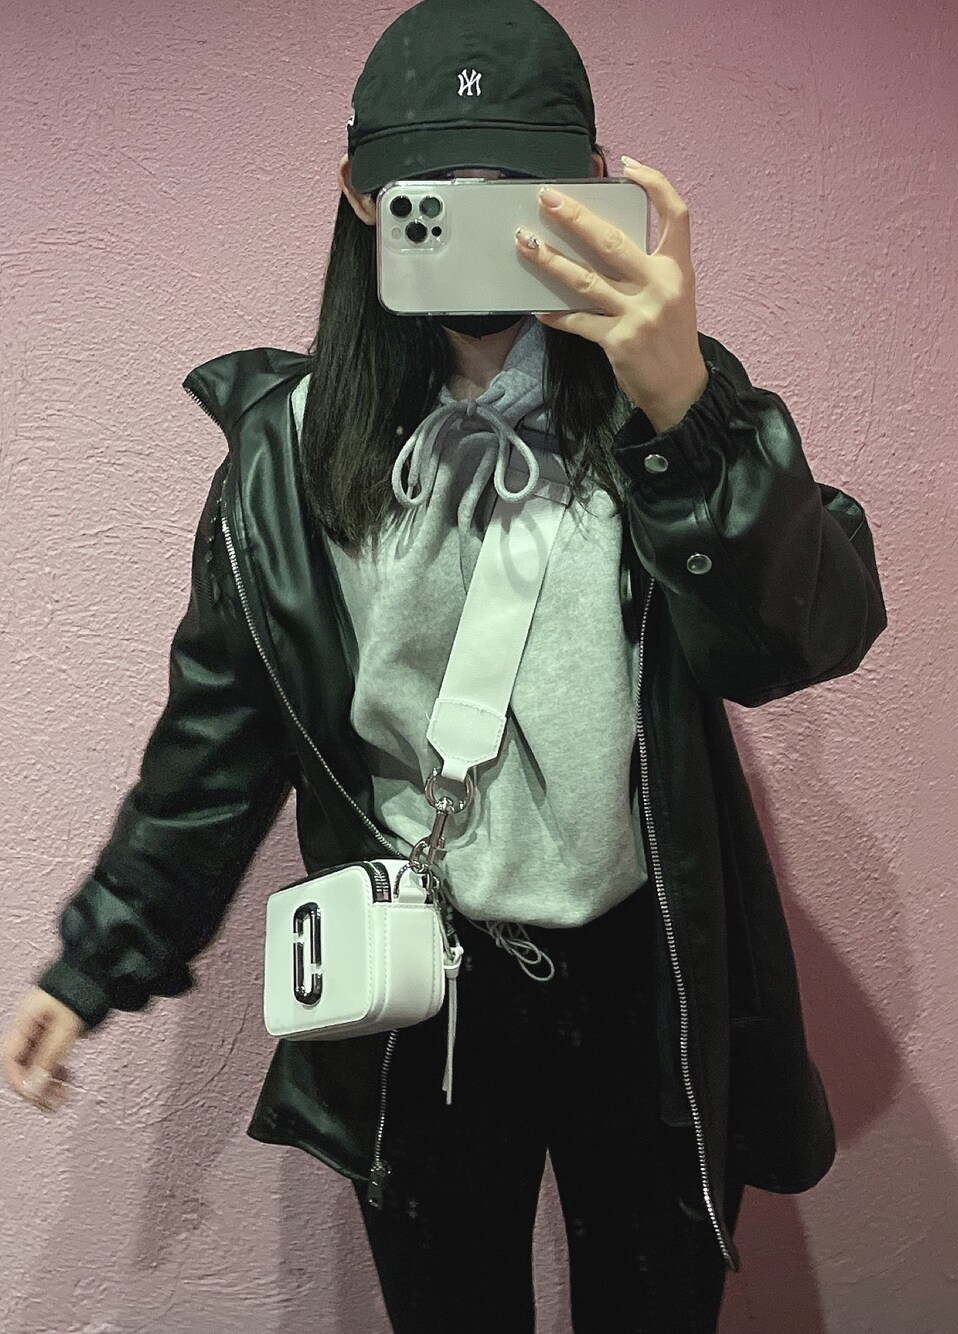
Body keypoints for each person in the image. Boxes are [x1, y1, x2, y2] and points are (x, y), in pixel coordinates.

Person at [1, 1, 888, 1330]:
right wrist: (96, 962)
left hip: (643, 984)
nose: (477, 225)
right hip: (422, 989)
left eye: (514, 191)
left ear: (588, 191)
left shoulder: (663, 403)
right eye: (435, 193)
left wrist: (685, 406)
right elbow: (216, 749)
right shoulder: (290, 457)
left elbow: (805, 637)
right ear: (361, 194)